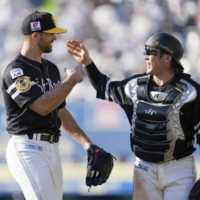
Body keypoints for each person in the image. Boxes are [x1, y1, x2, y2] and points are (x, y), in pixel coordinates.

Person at [67, 32, 200, 200]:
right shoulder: (135, 86)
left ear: (167, 58)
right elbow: (104, 87)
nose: (145, 56)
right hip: (143, 168)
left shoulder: (191, 92)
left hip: (178, 169)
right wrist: (87, 62)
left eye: (150, 52)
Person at [1, 11, 105, 200]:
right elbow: (41, 106)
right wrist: (71, 81)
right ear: (35, 36)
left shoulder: (51, 69)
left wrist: (86, 143)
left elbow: (60, 111)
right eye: (50, 33)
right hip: (28, 147)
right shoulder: (16, 71)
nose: (55, 38)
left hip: (52, 148)